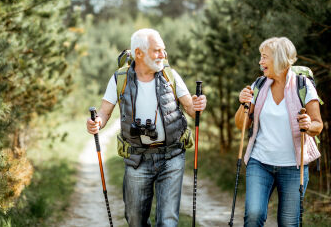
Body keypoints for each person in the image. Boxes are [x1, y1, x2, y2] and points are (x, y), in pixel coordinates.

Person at [86, 28, 207, 227]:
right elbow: (104, 112)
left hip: (172, 156)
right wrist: (96, 122)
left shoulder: (170, 75)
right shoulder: (120, 78)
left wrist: (199, 105)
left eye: (163, 50)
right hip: (137, 158)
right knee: (135, 220)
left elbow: (192, 110)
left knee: (167, 221)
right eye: (157, 50)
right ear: (139, 53)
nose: (163, 55)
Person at [235, 37, 323, 227]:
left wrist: (308, 124)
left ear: (279, 59)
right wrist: (243, 104)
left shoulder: (303, 86)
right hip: (260, 163)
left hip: (293, 167)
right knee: (253, 215)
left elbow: (318, 125)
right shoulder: (258, 85)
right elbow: (241, 124)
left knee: (289, 223)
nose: (260, 62)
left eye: (264, 57)